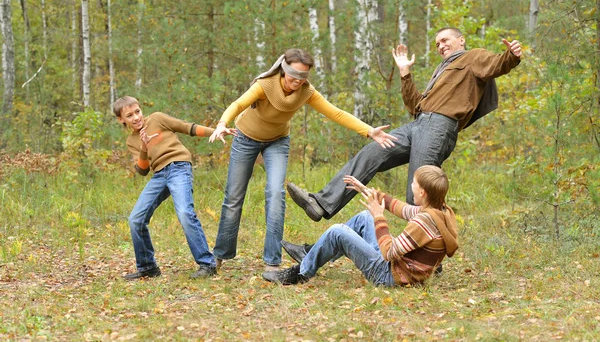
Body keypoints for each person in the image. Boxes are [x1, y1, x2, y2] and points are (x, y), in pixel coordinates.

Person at [287, 28, 522, 221]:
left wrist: (511, 55)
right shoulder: (441, 70)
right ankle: (321, 203)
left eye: (445, 40)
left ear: (461, 40)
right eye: (437, 43)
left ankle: (425, 256)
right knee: (372, 153)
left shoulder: (473, 57)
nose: (440, 46)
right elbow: (414, 106)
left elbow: (497, 65)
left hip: (439, 127)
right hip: (418, 124)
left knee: (418, 191)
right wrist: (405, 73)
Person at [208, 48, 398, 275]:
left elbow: (335, 113)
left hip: (277, 141)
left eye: (303, 77)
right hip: (245, 138)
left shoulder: (306, 91)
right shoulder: (265, 85)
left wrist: (369, 131)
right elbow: (238, 104)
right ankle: (220, 254)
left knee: (276, 193)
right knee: (234, 197)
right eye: (293, 76)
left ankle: (272, 261)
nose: (297, 82)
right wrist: (222, 123)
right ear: (283, 70)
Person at [263, 165, 458, 286]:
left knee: (337, 231)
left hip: (389, 275)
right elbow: (402, 209)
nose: (411, 186)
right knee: (364, 216)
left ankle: (300, 273)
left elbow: (389, 253)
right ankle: (313, 253)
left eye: (413, 183)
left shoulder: (423, 222)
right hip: (399, 268)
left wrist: (379, 217)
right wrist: (365, 190)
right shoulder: (440, 212)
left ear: (422, 192)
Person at [113, 96, 236, 280]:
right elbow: (142, 170)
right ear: (121, 120)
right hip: (159, 175)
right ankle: (148, 267)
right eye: (129, 115)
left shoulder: (157, 119)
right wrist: (144, 148)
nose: (136, 117)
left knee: (185, 213)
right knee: (135, 219)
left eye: (137, 112)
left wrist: (217, 131)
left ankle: (207, 264)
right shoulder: (132, 140)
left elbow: (188, 127)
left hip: (178, 166)